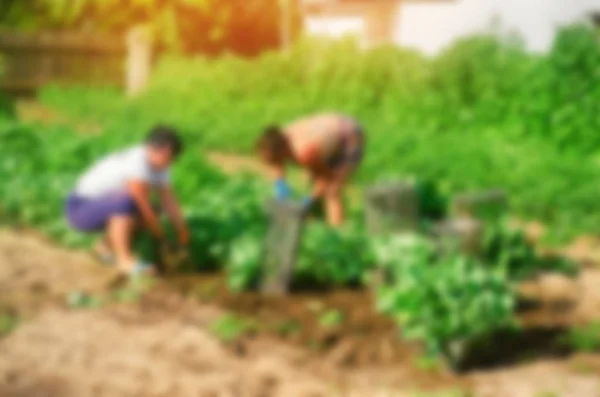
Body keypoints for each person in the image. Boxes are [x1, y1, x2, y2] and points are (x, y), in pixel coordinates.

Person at [65, 126, 189, 275]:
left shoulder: (160, 165)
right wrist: (160, 236)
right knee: (129, 202)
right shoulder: (137, 161)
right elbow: (141, 202)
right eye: (170, 158)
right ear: (163, 151)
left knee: (155, 210)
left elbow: (168, 200)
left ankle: (105, 246)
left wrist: (182, 230)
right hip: (80, 209)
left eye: (172, 159)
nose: (170, 163)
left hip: (101, 206)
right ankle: (124, 260)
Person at [255, 112, 365, 226]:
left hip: (349, 137)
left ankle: (337, 234)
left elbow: (324, 179)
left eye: (273, 160)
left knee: (332, 190)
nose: (271, 165)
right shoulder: (278, 139)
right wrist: (280, 188)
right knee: (310, 179)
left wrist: (308, 201)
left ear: (281, 152)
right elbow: (277, 167)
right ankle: (315, 218)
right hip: (328, 134)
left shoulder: (304, 151)